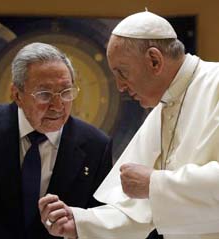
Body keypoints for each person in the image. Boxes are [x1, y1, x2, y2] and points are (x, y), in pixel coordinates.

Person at [39, 11, 219, 239]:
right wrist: (80, 222)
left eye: (122, 72)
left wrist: (154, 183)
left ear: (154, 60)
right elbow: (141, 209)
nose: (120, 86)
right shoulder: (165, 104)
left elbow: (149, 189)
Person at [0, 42, 113, 239]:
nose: (58, 105)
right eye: (44, 94)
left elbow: (101, 224)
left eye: (66, 92)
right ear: (17, 94)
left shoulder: (96, 145)